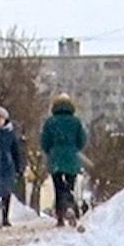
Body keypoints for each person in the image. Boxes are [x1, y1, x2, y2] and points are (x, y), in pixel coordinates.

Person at [40, 94, 89, 228]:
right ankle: (70, 207)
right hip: (71, 158)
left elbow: (44, 141)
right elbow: (82, 140)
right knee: (69, 186)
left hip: (55, 158)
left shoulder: (50, 122)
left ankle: (60, 216)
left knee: (58, 187)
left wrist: (51, 151)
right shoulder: (76, 121)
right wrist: (74, 148)